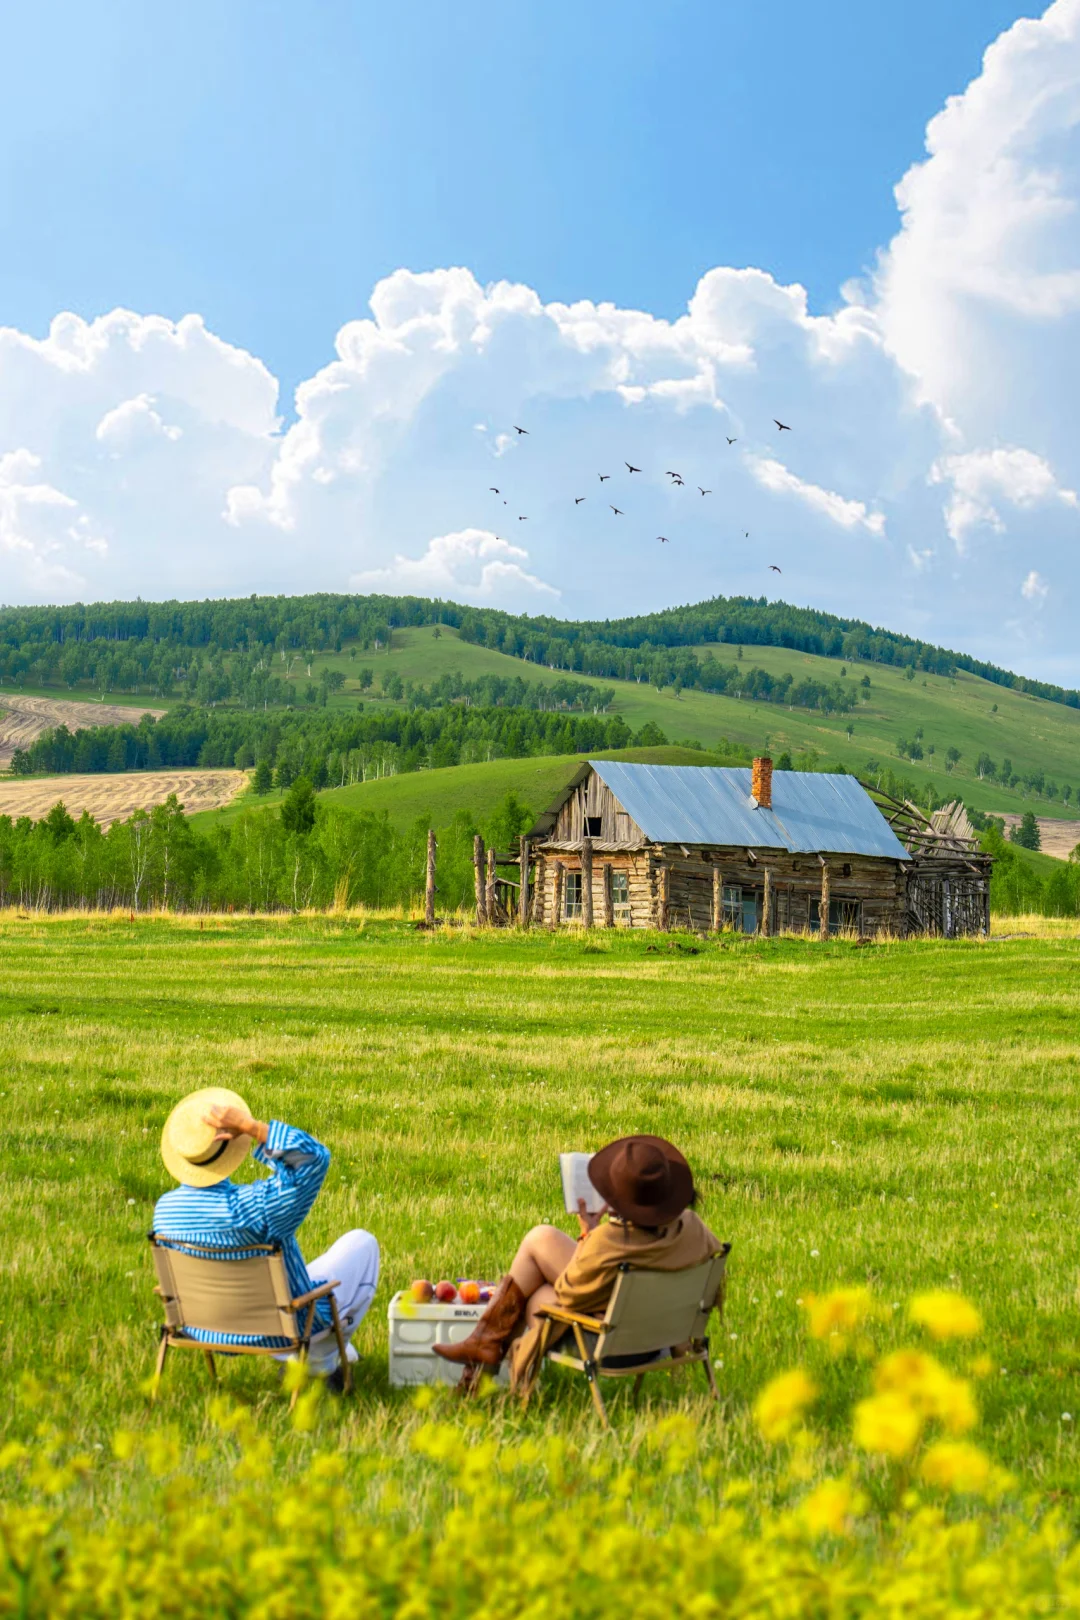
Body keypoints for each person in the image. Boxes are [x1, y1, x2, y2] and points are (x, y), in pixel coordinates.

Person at [433, 1134, 722, 1396]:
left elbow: (570, 1293)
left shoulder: (611, 1243)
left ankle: (482, 1356)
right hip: (659, 1333)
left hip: (611, 1346)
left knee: (536, 1290)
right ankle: (482, 1354)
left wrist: (588, 1234)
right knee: (541, 1247)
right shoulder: (694, 1231)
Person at [154, 1087, 379, 1390]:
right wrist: (252, 1128)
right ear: (229, 1145)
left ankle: (321, 1356)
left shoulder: (165, 1211)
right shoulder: (256, 1209)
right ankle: (320, 1364)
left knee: (307, 1272)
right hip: (280, 1330)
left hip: (204, 1328)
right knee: (362, 1244)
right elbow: (314, 1158)